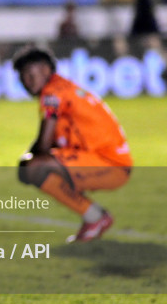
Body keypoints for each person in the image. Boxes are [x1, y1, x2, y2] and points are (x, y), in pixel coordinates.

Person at [13, 46, 132, 243]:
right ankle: (94, 217)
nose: (26, 81)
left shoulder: (52, 94)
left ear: (45, 69)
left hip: (110, 164)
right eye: (22, 77)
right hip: (105, 160)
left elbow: (44, 144)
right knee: (35, 167)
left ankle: (97, 218)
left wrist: (27, 161)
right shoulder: (62, 89)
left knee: (35, 167)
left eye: (29, 74)